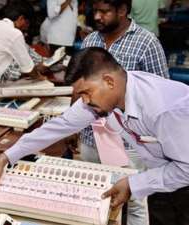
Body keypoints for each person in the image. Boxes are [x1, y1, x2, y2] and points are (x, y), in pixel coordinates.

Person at [0, 47, 189, 225]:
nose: (84, 101)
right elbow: (60, 126)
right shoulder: (108, 93)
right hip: (164, 176)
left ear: (109, 81)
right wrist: (6, 156)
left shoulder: (164, 109)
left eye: (86, 93)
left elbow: (186, 169)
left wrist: (134, 184)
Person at [79, 1, 169, 223]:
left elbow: (161, 93)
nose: (97, 17)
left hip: (129, 142)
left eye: (104, 12)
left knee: (134, 202)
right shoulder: (90, 41)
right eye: (95, 11)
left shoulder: (146, 43)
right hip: (91, 137)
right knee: (93, 196)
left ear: (122, 11)